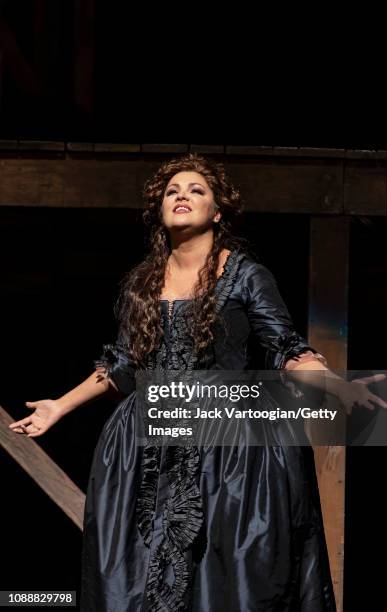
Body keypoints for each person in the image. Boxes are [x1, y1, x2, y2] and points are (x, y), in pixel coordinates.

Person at [9, 153, 387, 612]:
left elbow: (286, 347)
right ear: (160, 209)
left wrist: (330, 382)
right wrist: (59, 406)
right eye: (172, 191)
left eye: (196, 190)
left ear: (218, 210)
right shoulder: (142, 282)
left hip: (225, 445)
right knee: (136, 576)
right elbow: (124, 363)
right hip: (147, 447)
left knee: (229, 574)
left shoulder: (245, 274)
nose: (182, 196)